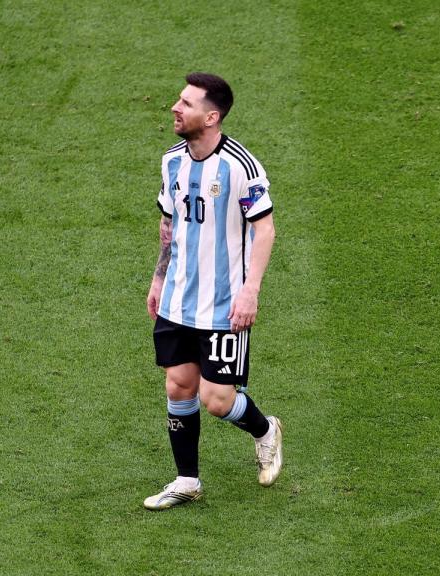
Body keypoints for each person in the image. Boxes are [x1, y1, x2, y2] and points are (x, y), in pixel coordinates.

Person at [143, 72, 283, 510]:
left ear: (211, 115)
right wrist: (158, 278)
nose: (175, 107)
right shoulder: (172, 160)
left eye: (185, 103)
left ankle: (265, 430)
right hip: (178, 297)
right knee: (178, 386)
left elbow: (265, 230)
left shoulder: (241, 166)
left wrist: (250, 291)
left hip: (224, 303)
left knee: (217, 400)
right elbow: (169, 223)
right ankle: (187, 480)